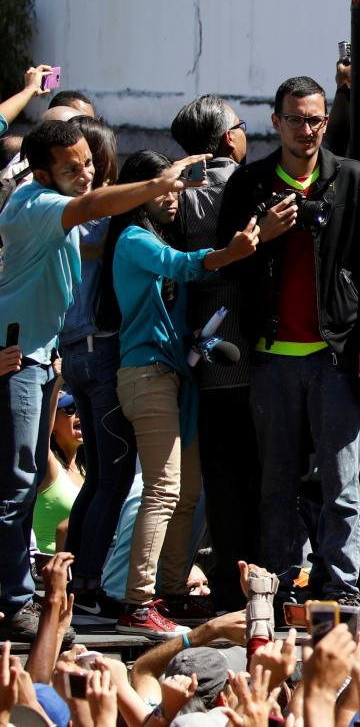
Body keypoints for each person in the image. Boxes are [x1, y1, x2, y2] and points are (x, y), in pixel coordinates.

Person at [0, 120, 209, 641]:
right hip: (20, 358)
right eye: (72, 168)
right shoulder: (37, 203)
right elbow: (95, 209)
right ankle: (16, 601)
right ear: (43, 173)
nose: (86, 173)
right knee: (18, 484)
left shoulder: (55, 214)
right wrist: (161, 183)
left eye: (89, 163)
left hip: (43, 359)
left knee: (47, 483)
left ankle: (52, 590)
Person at [217, 75, 360, 602]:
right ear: (276, 122)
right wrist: (260, 235)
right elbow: (223, 263)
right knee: (277, 486)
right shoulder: (249, 186)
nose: (307, 129)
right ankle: (277, 585)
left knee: (343, 484)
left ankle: (340, 586)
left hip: (335, 357)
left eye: (316, 118)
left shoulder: (351, 179)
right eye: (295, 119)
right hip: (272, 360)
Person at [105, 150, 259, 637]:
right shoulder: (132, 239)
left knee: (187, 490)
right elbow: (181, 264)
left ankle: (170, 594)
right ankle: (136, 603)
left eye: (175, 187)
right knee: (164, 488)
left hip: (177, 377)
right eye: (163, 187)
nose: (173, 197)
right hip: (146, 374)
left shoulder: (152, 237)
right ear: (138, 193)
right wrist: (232, 252)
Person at [169, 94, 256, 609]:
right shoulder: (245, 186)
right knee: (260, 470)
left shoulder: (180, 193)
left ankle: (225, 580)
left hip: (200, 351)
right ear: (228, 137)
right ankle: (259, 578)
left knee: (219, 472)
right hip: (250, 346)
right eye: (242, 127)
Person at [57, 116, 139, 620]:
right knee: (114, 475)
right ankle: (87, 582)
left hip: (73, 351)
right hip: (103, 349)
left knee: (96, 477)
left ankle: (75, 578)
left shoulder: (68, 212)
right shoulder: (100, 218)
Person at [32, 391, 84, 554]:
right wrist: (56, 383)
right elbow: (42, 434)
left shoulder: (87, 470)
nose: (79, 413)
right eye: (71, 408)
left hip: (80, 566)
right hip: (47, 571)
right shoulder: (49, 467)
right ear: (53, 424)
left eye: (81, 407)